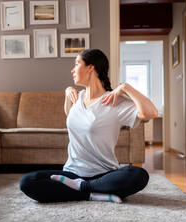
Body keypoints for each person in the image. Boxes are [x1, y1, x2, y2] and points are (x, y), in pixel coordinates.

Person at [19, 49, 158, 203]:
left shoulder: (113, 101)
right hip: (72, 172)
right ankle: (91, 194)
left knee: (138, 175)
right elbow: (70, 116)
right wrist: (67, 93)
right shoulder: (77, 97)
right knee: (28, 181)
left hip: (104, 174)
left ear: (90, 67)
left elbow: (151, 113)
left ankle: (83, 187)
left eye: (77, 63)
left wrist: (125, 87)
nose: (72, 70)